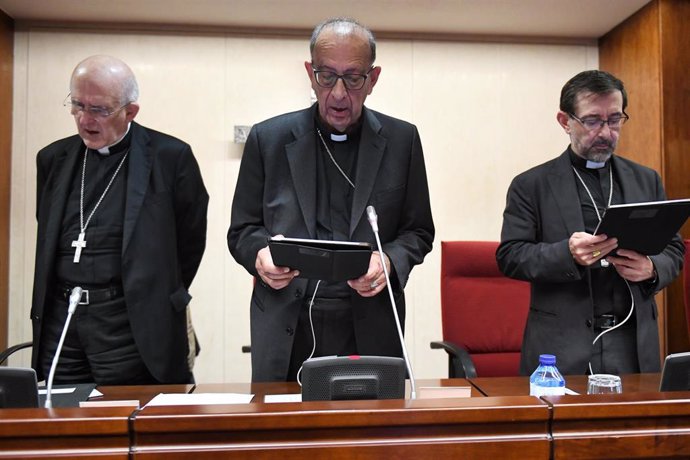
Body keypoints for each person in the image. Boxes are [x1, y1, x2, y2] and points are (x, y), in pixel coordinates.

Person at [228, 18, 434, 382]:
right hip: (286, 317)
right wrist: (259, 255)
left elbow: (418, 231)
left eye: (353, 78)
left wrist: (389, 260)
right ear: (310, 73)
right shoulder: (268, 139)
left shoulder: (403, 141)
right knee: (283, 434)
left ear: (373, 79)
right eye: (327, 76)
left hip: (369, 320)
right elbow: (242, 230)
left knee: (370, 434)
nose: (338, 93)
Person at [31, 55, 208, 385]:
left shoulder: (171, 158)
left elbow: (190, 241)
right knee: (64, 421)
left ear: (130, 111)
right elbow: (48, 233)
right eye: (77, 105)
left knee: (131, 419)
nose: (85, 119)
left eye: (98, 109)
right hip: (63, 321)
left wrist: (151, 290)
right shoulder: (52, 159)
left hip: (129, 323)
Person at [497, 70, 684, 376]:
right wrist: (566, 253)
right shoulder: (531, 185)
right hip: (561, 348)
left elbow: (674, 249)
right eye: (593, 120)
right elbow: (510, 256)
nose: (606, 132)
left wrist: (652, 268)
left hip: (633, 345)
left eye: (614, 119)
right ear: (565, 121)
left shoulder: (646, 179)